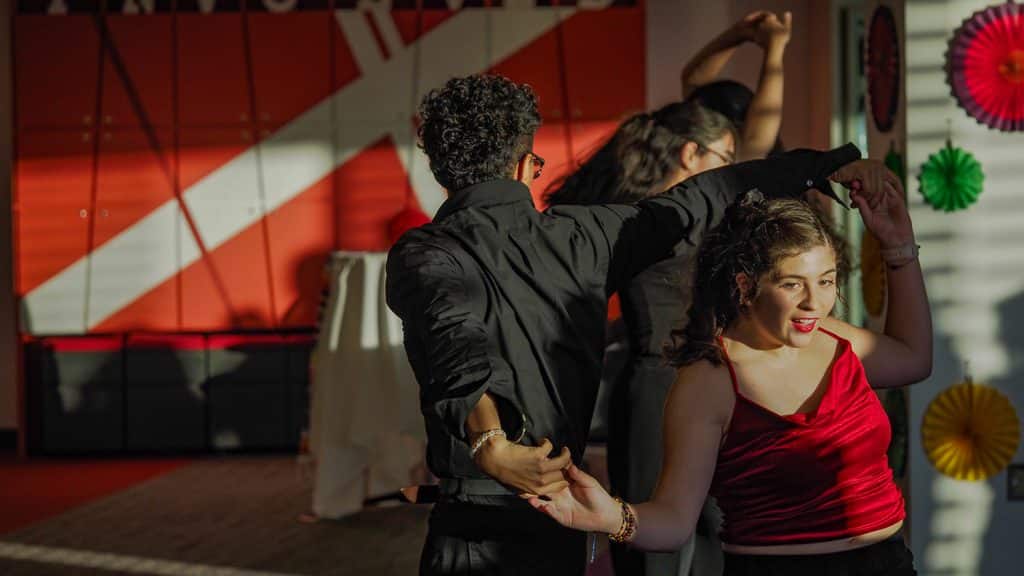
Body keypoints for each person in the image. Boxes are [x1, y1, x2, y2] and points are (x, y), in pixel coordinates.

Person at [385, 73, 864, 576]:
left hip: (476, 533)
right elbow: (704, 196)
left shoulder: (424, 252)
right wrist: (826, 165)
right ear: (527, 165)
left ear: (440, 171)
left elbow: (453, 339)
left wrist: (492, 444)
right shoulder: (587, 237)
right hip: (556, 523)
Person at [528, 163, 930, 576]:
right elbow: (674, 520)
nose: (815, 302)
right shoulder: (710, 381)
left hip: (888, 563)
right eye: (793, 284)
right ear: (745, 285)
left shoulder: (837, 341)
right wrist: (613, 516)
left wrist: (899, 245)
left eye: (826, 281)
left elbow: (914, 358)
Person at [545, 99, 736, 576]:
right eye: (726, 157)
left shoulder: (655, 216)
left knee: (718, 525)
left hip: (697, 381)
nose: (729, 170)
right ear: (692, 153)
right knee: (650, 541)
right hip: (657, 388)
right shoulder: (642, 219)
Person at [682, 10, 791, 161]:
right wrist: (739, 34)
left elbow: (756, 139)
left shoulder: (737, 166)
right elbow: (694, 82)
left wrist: (775, 47)